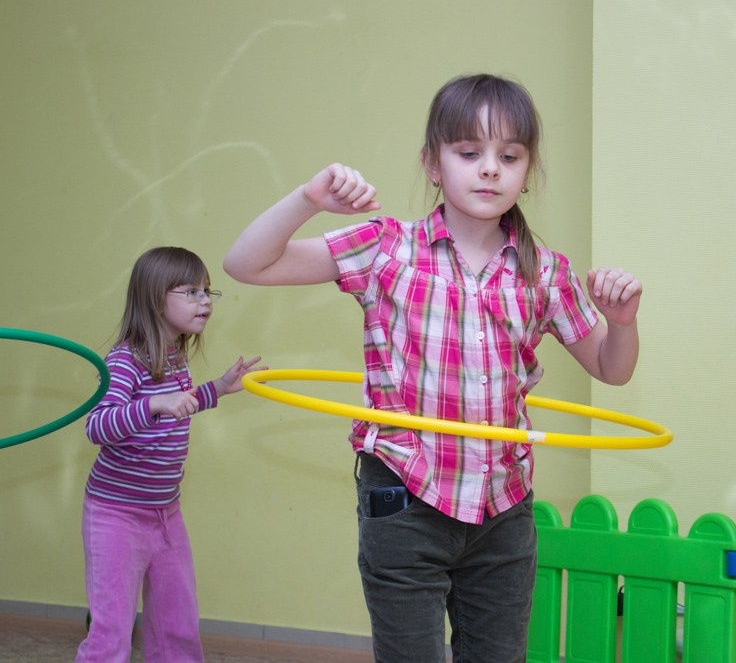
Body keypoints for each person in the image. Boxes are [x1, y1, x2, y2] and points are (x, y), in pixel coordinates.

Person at [223, 73, 642, 663]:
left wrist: (621, 322)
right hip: (404, 492)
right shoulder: (385, 249)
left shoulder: (546, 272)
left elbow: (611, 368)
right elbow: (246, 264)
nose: (490, 169)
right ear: (432, 163)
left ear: (528, 170)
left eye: (509, 156)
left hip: (504, 506)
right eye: (469, 153)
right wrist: (308, 200)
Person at [75, 246, 264, 663]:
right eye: (191, 292)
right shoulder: (126, 360)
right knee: (110, 635)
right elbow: (97, 426)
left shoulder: (176, 357)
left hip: (166, 514)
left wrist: (218, 387)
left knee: (178, 628)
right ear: (154, 298)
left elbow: (182, 402)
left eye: (207, 292)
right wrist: (156, 405)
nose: (204, 302)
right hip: (115, 515)